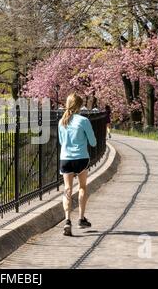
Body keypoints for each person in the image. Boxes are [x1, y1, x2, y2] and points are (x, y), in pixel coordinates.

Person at [58, 93, 97, 236]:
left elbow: (62, 142)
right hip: (81, 158)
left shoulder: (62, 122)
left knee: (67, 188)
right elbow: (93, 142)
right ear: (80, 106)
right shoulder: (83, 121)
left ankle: (67, 220)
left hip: (66, 158)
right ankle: (81, 219)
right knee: (82, 187)